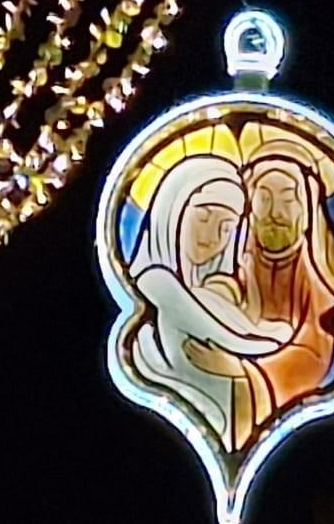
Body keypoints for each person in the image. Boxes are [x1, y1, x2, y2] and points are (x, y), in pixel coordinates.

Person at [184, 138, 334, 450]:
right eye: (264, 197)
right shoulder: (239, 263)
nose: (275, 212)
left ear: (306, 208)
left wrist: (239, 368)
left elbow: (313, 357)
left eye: (288, 199)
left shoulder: (316, 282)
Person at [123, 152, 293, 449]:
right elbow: (248, 340)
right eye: (202, 218)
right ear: (173, 212)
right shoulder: (155, 283)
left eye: (226, 227)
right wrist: (275, 338)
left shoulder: (214, 294)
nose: (212, 236)